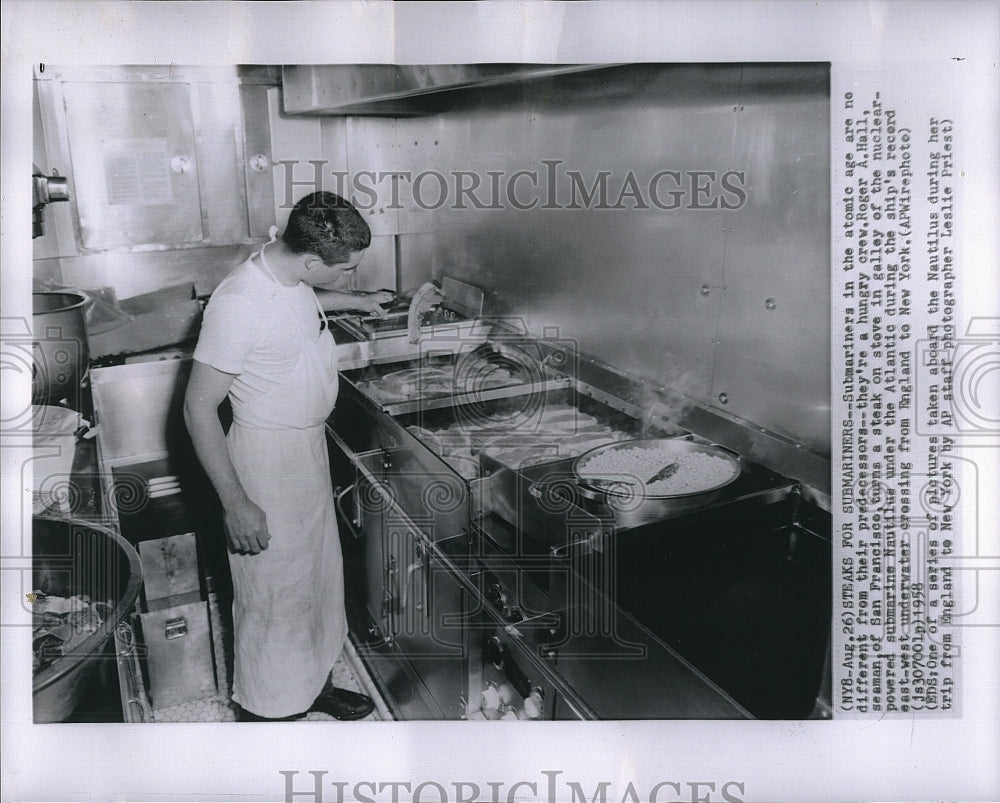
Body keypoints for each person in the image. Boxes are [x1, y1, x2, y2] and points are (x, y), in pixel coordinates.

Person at [184, 192, 392, 721]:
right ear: (312, 260)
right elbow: (197, 409)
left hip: (305, 453)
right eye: (347, 270)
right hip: (265, 467)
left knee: (314, 583)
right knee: (272, 597)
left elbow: (297, 309)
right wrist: (236, 504)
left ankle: (309, 685)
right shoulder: (238, 304)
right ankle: (267, 714)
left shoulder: (287, 271)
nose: (351, 275)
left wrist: (358, 301)